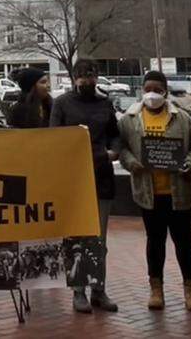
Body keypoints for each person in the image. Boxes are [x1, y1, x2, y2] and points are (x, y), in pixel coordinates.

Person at [117, 70, 191, 313]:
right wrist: (131, 163)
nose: (152, 94)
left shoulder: (182, 118)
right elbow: (121, 147)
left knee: (183, 242)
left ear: (165, 91)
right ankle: (156, 289)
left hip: (178, 191)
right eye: (147, 89)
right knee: (155, 242)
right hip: (148, 192)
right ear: (141, 90)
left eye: (157, 89)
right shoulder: (129, 119)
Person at [49, 58, 120, 314]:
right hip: (73, 179)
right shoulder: (62, 104)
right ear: (73, 78)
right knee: (76, 240)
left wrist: (114, 152)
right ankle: (78, 291)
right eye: (82, 76)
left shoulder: (105, 104)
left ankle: (98, 289)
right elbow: (54, 137)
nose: (87, 81)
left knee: (98, 240)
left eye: (91, 76)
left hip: (101, 177)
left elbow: (115, 134)